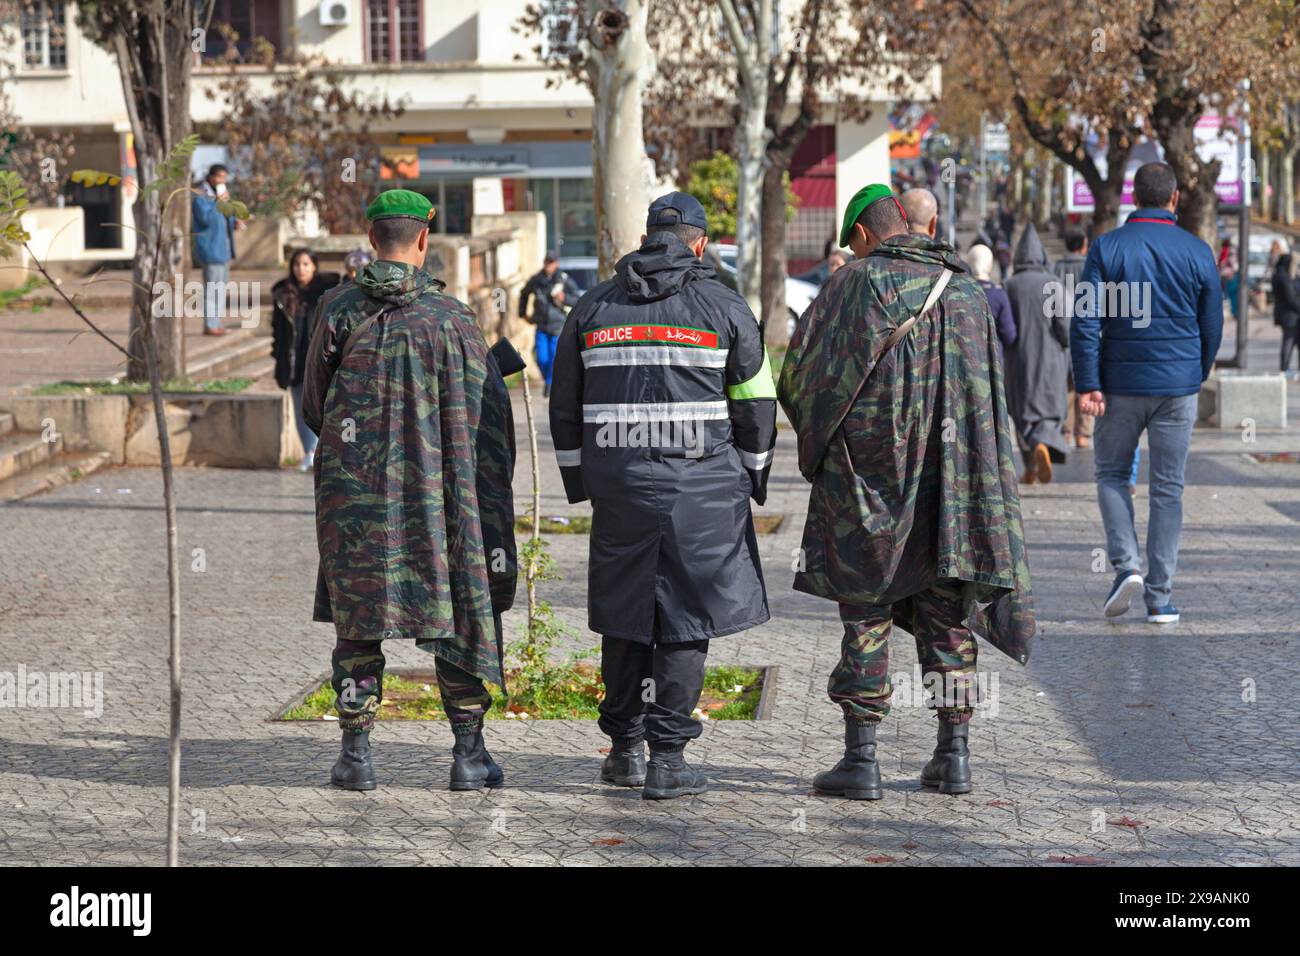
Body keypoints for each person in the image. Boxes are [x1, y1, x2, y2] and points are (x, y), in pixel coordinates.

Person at [778, 183, 1035, 800]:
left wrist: (826, 448)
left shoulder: (854, 286)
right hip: (955, 489)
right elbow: (991, 401)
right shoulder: (970, 294)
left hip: (871, 484)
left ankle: (861, 761)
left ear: (864, 233)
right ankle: (954, 757)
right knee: (947, 614)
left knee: (865, 610)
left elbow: (801, 378)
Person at [549, 191, 777, 800]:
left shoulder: (592, 306)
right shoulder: (726, 307)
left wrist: (583, 483)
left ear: (648, 235)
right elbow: (757, 407)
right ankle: (668, 759)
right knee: (684, 618)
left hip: (619, 491)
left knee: (625, 613)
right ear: (699, 243)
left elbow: (564, 407)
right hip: (701, 492)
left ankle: (624, 749)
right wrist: (751, 476)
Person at [303, 189, 517, 792]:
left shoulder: (336, 309)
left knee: (357, 624)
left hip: (353, 503)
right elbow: (487, 420)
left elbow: (315, 407)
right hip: (436, 503)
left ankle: (356, 756)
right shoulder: (453, 320)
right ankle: (468, 756)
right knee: (455, 615)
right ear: (424, 239)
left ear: (373, 239)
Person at [1071, 162, 1223, 626]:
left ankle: (1126, 566)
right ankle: (1161, 598)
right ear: (1174, 198)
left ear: (1134, 197)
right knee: (1168, 489)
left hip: (1117, 387)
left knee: (1113, 474)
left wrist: (1089, 382)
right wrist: (1195, 372)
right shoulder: (1198, 251)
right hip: (1177, 387)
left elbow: (1085, 320)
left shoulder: (1107, 248)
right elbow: (1212, 323)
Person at [1004, 224, 1070, 484]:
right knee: (1050, 409)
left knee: (1022, 411)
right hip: (1050, 358)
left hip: (1018, 360)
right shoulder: (1053, 284)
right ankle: (1043, 443)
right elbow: (1065, 325)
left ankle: (1030, 463)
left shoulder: (1008, 285)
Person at [271, 249, 339, 472]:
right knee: (301, 408)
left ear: (314, 267)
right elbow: (277, 331)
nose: (301, 268)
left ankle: (318, 451)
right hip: (293, 360)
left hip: (318, 359)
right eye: (297, 264)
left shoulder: (326, 294)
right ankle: (310, 452)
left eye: (306, 264)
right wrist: (278, 357)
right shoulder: (283, 294)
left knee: (320, 407)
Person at [190, 164, 243, 336]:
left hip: (224, 249)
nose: (222, 181)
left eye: (224, 177)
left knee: (221, 288)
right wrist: (218, 203)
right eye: (219, 177)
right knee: (212, 288)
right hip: (210, 248)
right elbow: (205, 219)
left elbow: (226, 215)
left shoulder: (220, 196)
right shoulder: (201, 195)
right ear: (211, 177)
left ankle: (217, 323)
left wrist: (234, 221)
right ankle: (210, 324)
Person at [1054, 228, 1094, 449]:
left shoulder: (1055, 269)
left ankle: (1066, 430)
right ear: (1083, 245)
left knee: (1066, 385)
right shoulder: (1090, 266)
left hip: (1062, 336)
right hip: (1086, 335)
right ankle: (1084, 434)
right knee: (1086, 384)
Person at [519, 252, 578, 397]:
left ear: (556, 264)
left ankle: (550, 385)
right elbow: (524, 293)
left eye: (550, 262)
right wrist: (522, 313)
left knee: (554, 358)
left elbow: (577, 299)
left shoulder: (563, 280)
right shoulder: (536, 280)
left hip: (558, 325)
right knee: (541, 359)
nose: (548, 265)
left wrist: (564, 298)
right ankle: (549, 381)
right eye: (546, 262)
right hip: (541, 325)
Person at [966, 243, 1016, 359]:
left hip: (967, 362)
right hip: (993, 360)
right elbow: (1009, 335)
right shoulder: (999, 294)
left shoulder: (958, 291)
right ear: (990, 266)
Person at [1273, 243, 1300, 373]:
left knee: (1289, 341)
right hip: (1290, 316)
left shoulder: (1280, 275)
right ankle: (1284, 368)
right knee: (1288, 341)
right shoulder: (1284, 277)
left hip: (1288, 315)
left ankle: (1285, 367)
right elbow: (1291, 298)